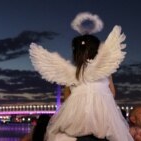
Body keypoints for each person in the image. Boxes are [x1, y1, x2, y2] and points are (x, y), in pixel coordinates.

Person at [29, 12, 133, 141]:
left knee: (60, 135)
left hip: (74, 124)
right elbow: (112, 93)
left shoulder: (71, 73)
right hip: (104, 122)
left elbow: (67, 98)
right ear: (98, 52)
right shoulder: (105, 70)